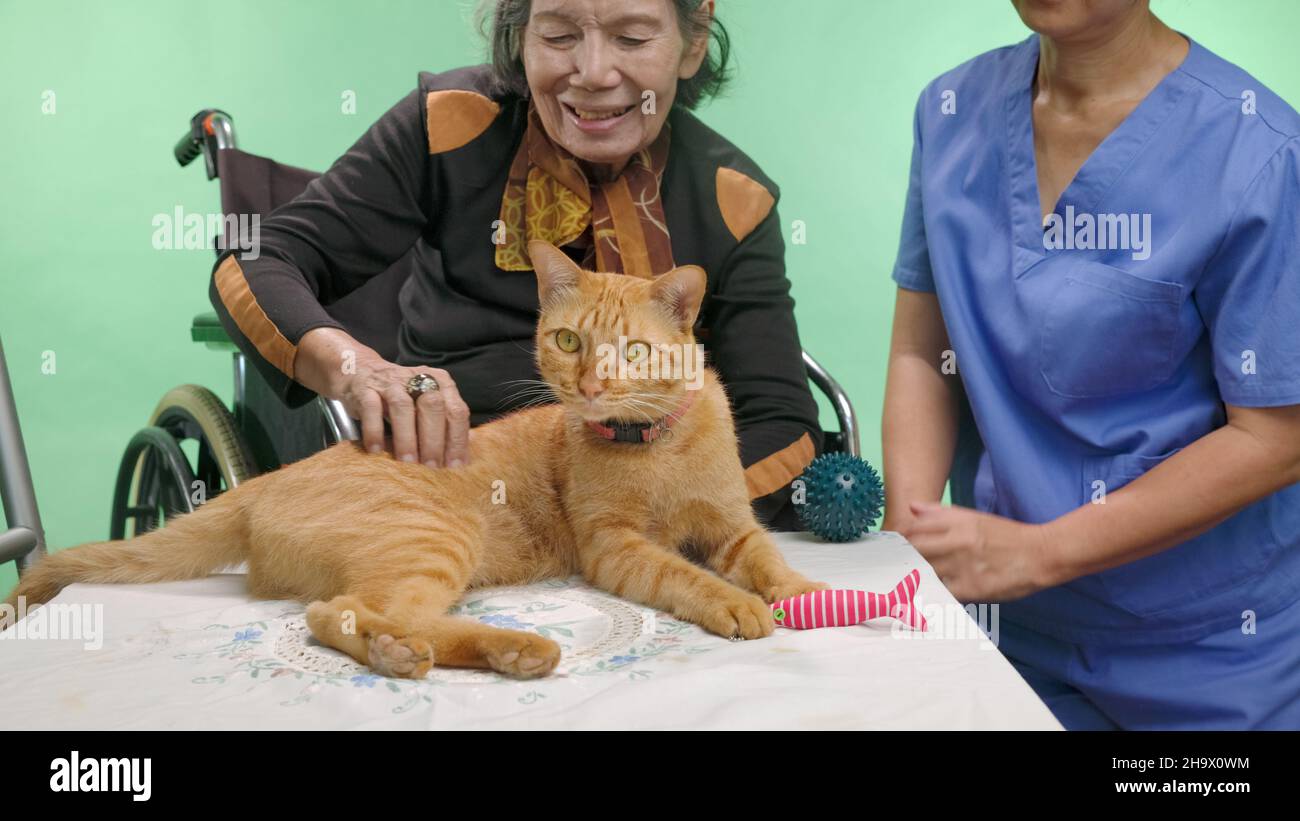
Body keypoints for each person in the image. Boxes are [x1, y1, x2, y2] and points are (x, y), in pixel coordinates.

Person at [209, 0, 822, 530]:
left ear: (692, 41)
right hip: (447, 492)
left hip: (639, 526)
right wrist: (358, 368)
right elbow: (257, 255)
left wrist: (654, 511)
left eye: (632, 38)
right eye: (557, 35)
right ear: (518, 33)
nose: (593, 73)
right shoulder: (446, 125)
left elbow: (783, 424)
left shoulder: (735, 200)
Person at [882, 0, 1300, 728]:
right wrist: (910, 542)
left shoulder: (1256, 150)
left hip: (1206, 654)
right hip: (1002, 630)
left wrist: (1043, 553)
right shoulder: (950, 113)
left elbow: (1276, 437)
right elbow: (925, 351)